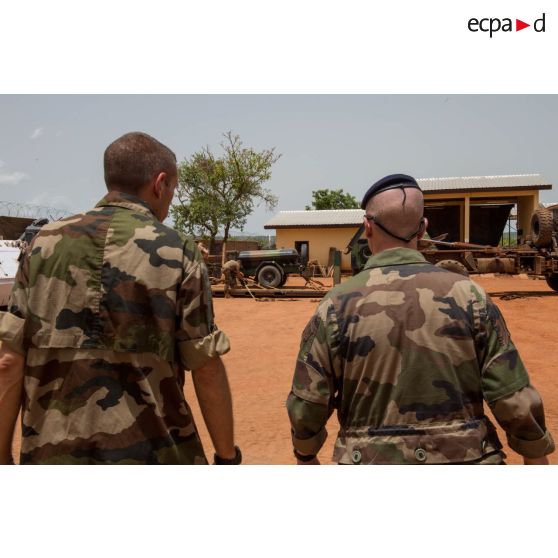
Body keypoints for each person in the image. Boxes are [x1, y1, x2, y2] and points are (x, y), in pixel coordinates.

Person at [0, 131, 241, 465]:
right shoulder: (179, 251)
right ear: (160, 183)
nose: (170, 201)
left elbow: (9, 362)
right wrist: (227, 456)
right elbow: (206, 368)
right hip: (156, 454)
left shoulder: (43, 243)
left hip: (50, 454)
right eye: (172, 189)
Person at [286, 173, 554, 465]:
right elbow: (513, 397)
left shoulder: (336, 305)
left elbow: (308, 401)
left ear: (367, 227)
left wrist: (305, 452)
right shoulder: (471, 296)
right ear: (423, 228)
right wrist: (535, 454)